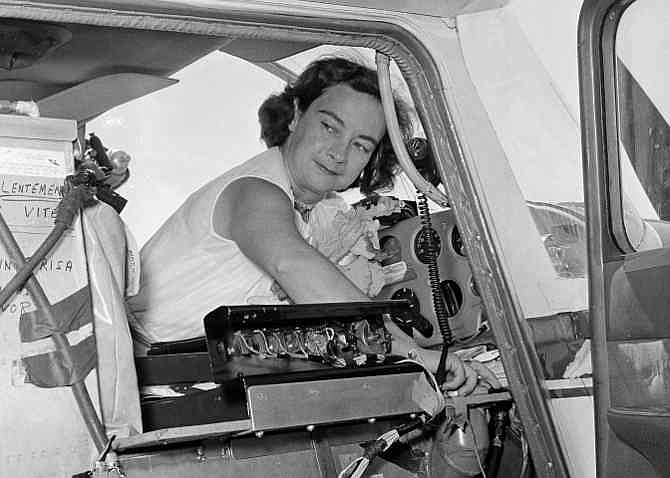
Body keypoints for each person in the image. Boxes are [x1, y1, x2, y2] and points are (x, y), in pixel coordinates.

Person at [127, 57, 478, 393]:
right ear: (296, 115)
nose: (339, 153)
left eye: (360, 145)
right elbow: (291, 263)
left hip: (186, 376)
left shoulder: (307, 209)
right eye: (329, 127)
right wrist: (414, 353)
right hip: (141, 377)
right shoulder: (257, 189)